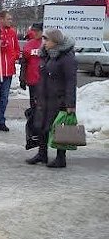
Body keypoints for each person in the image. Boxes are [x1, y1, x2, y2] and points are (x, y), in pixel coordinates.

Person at [26, 29, 77, 168]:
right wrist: (37, 95)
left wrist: (70, 103)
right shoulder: (46, 54)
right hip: (45, 97)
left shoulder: (67, 57)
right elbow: (42, 78)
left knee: (60, 128)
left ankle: (61, 158)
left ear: (55, 41)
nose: (44, 43)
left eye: (46, 39)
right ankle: (42, 154)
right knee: (42, 126)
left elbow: (71, 82)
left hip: (59, 99)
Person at [20, 23, 44, 109]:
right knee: (33, 104)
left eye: (38, 31)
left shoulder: (47, 43)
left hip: (44, 80)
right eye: (34, 31)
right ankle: (34, 121)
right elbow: (24, 63)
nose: (36, 33)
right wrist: (22, 78)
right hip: (32, 79)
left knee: (43, 105)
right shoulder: (28, 45)